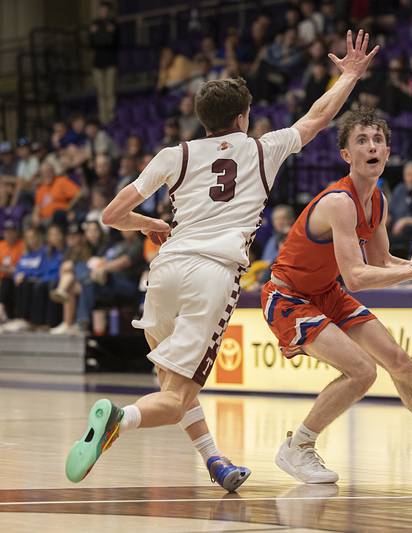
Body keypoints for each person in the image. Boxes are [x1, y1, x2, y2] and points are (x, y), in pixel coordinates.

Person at [64, 30, 380, 493]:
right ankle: (120, 418)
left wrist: (150, 225)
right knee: (172, 398)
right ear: (242, 117)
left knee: (172, 381)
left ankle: (214, 460)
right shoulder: (261, 148)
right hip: (211, 274)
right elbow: (317, 117)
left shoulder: (175, 154)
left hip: (164, 271)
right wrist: (349, 74)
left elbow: (112, 215)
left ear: (203, 120)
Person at [262, 107, 412, 484]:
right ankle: (298, 447)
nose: (371, 146)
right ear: (346, 155)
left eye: (378, 140)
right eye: (361, 140)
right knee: (362, 371)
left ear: (388, 152)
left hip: (325, 292)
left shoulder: (379, 201)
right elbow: (356, 277)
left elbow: (381, 260)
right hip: (288, 298)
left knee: (399, 361)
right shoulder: (339, 202)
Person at [88, 1, 118, 124]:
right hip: (98, 63)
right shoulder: (94, 25)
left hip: (110, 61)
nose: (103, 12)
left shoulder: (113, 24)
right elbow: (92, 44)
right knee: (100, 92)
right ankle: (103, 118)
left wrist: (105, 35)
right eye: (102, 10)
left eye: (106, 10)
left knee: (110, 91)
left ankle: (111, 116)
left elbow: (112, 43)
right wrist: (96, 35)